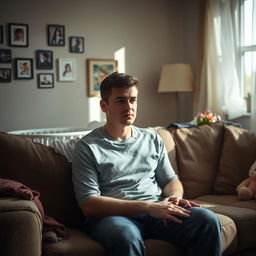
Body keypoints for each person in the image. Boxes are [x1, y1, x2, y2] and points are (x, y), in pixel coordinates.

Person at [72, 72, 222, 256]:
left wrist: (174, 197)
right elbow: (90, 204)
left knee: (207, 219)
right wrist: (149, 207)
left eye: (133, 100)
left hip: (156, 212)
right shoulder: (87, 147)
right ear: (104, 105)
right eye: (120, 101)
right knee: (126, 236)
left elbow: (170, 180)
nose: (129, 107)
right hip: (113, 218)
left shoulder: (152, 138)